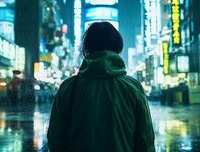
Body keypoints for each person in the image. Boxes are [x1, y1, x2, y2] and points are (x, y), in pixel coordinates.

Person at [47, 22, 155, 152]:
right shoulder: (133, 87)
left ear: (87, 48)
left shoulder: (69, 87)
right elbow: (145, 141)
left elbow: (55, 140)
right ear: (118, 47)